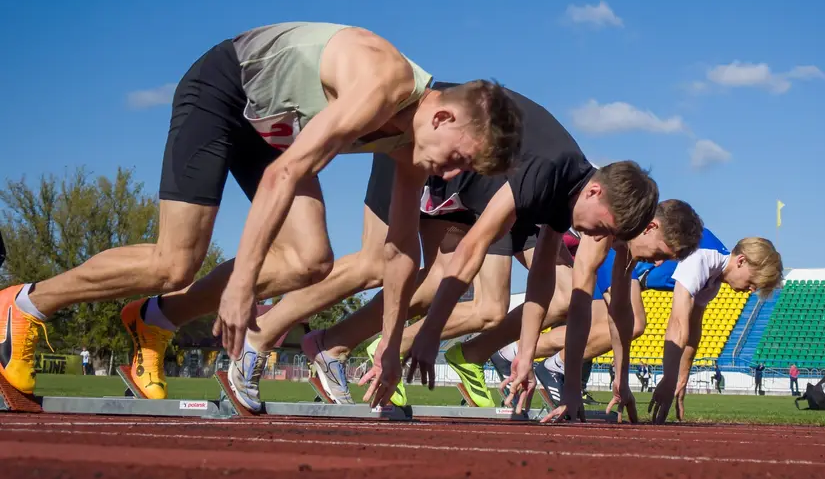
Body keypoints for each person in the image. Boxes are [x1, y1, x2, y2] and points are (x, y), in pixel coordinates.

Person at [0, 23, 523, 401]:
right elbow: (283, 175)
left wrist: (387, 345)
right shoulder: (381, 85)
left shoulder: (412, 145)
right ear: (445, 117)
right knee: (174, 264)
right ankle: (25, 304)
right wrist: (242, 282)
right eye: (459, 158)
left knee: (309, 261)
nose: (452, 175)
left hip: (268, 130)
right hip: (225, 92)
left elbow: (402, 250)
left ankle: (153, 321)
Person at [218, 84, 660, 412]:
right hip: (428, 139)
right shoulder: (548, 171)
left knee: (425, 281)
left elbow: (543, 277)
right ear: (596, 193)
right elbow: (475, 245)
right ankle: (261, 332)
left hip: (470, 176)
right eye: (602, 229)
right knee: (379, 262)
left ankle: (330, 345)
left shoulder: (570, 191)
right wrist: (427, 336)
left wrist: (526, 355)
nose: (596, 239)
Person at [461, 210, 709, 413]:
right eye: (659, 254)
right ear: (651, 227)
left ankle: (507, 354)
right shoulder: (608, 227)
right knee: (500, 307)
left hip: (552, 227)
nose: (656, 263)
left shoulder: (623, 241)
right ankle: (500, 354)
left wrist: (621, 381)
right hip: (523, 212)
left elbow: (618, 315)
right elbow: (572, 298)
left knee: (583, 305)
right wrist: (565, 386)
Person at [649, 238, 784, 423]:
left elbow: (693, 328)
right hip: (624, 263)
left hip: (634, 278)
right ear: (741, 261)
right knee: (634, 325)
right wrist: (669, 377)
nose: (752, 290)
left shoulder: (712, 283)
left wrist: (681, 379)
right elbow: (678, 323)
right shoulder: (703, 259)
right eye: (753, 281)